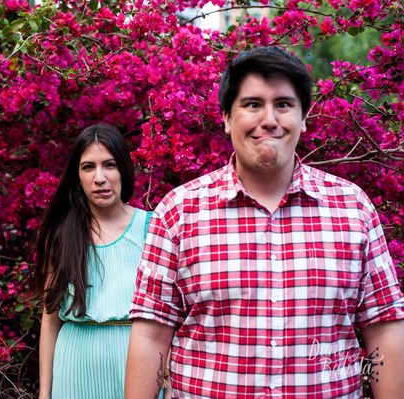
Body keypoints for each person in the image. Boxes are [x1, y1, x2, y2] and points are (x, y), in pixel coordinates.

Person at [125, 46, 404, 398]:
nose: (269, 119)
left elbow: (384, 328)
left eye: (284, 104)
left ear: (304, 117)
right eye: (252, 104)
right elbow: (151, 335)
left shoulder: (353, 209)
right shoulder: (179, 212)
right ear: (226, 118)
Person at [32, 124, 152, 399]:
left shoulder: (151, 228)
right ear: (77, 176)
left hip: (136, 367)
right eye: (88, 167)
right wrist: (44, 393)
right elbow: (50, 320)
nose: (100, 177)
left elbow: (168, 320)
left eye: (109, 165)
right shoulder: (62, 234)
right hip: (73, 369)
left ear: (123, 168)